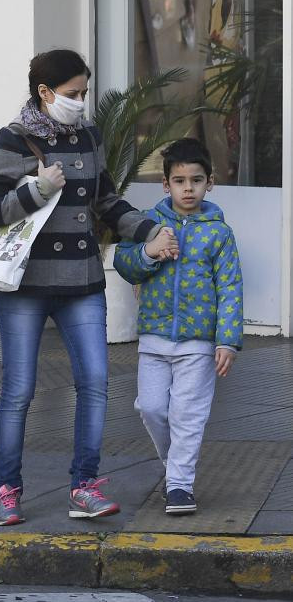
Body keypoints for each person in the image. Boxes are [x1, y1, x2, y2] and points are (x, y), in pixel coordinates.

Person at [0, 49, 173, 527]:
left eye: (84, 92)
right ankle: (7, 491)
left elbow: (106, 199)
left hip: (83, 283)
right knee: (19, 391)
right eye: (72, 94)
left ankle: (83, 487)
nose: (81, 102)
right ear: (44, 93)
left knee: (96, 385)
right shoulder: (12, 139)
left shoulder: (89, 137)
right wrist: (36, 190)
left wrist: (148, 232)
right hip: (25, 286)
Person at [113, 138, 242, 515]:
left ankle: (180, 486)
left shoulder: (219, 234)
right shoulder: (148, 225)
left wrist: (227, 341)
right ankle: (176, 469)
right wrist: (150, 252)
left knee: (188, 413)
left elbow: (231, 287)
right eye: (180, 181)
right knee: (151, 408)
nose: (189, 188)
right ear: (165, 185)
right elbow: (125, 264)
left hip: (198, 344)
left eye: (196, 180)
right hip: (154, 337)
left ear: (210, 183)